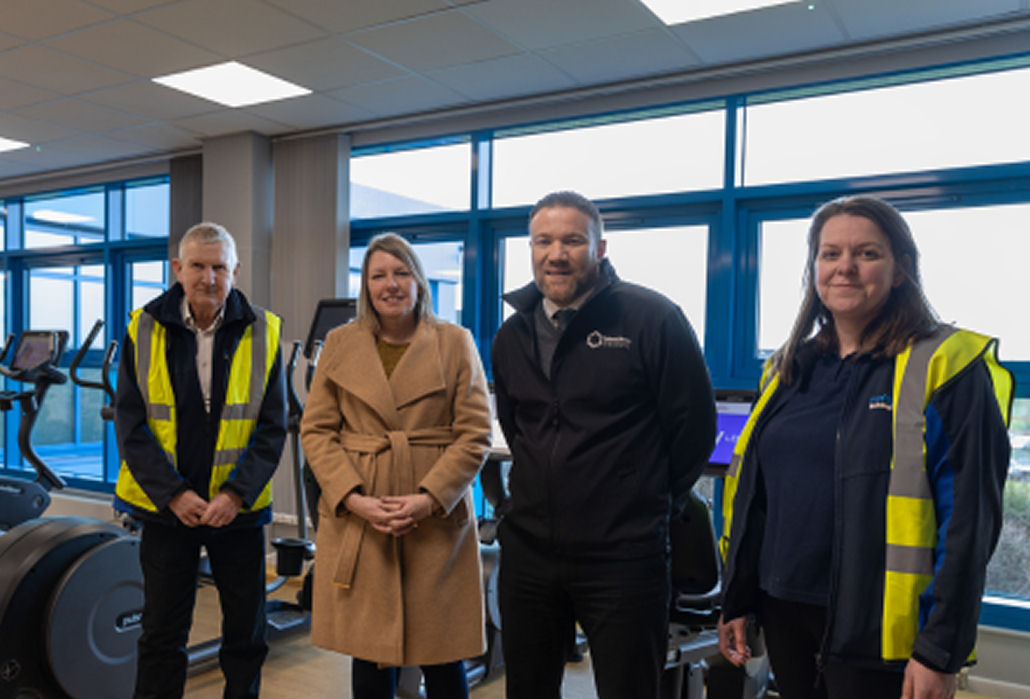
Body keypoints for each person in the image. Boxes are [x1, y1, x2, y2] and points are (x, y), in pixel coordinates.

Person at [717, 196, 1014, 699]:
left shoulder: (946, 366)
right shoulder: (788, 370)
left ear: (900, 270)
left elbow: (969, 522)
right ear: (814, 269)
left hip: (881, 629)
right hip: (784, 608)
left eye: (867, 253)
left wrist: (940, 647)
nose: (845, 268)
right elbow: (756, 498)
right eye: (830, 254)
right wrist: (738, 597)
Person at [491, 190, 717, 699]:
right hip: (529, 554)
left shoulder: (652, 319)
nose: (557, 253)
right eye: (543, 241)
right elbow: (518, 425)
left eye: (573, 240)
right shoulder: (512, 335)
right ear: (531, 249)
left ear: (600, 248)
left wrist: (645, 502)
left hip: (622, 556)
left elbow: (694, 430)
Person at [300, 233, 492, 699]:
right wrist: (354, 499)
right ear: (365, 286)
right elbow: (317, 431)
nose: (391, 285)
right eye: (378, 275)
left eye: (402, 273)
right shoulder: (340, 344)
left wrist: (428, 499)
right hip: (365, 515)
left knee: (443, 655)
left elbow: (474, 434)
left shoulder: (454, 342)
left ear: (419, 282)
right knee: (369, 653)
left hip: (434, 518)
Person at [114, 222, 286, 699]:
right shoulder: (141, 326)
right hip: (169, 512)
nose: (208, 278)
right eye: (197, 266)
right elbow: (131, 426)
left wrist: (235, 494)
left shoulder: (264, 331)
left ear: (235, 270)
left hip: (239, 511)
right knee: (161, 636)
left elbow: (273, 428)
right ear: (177, 269)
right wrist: (173, 495)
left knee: (246, 636)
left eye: (218, 267)